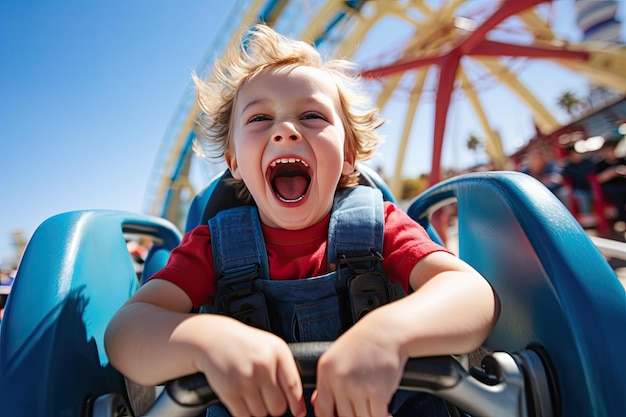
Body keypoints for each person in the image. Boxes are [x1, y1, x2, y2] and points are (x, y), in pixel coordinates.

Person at [105, 25, 498, 417]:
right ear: (235, 163)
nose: (285, 131)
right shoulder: (213, 246)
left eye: (311, 116)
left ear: (347, 155)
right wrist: (207, 342)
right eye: (259, 118)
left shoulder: (381, 226)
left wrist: (389, 334)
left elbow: (472, 294)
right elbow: (127, 331)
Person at [595, 139, 626, 230]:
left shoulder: (622, 161)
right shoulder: (600, 164)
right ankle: (621, 221)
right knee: (617, 195)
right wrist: (611, 173)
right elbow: (598, 179)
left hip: (623, 185)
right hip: (610, 188)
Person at [560, 146, 595, 218]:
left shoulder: (587, 163)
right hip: (575, 190)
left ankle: (588, 217)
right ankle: (583, 217)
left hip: (590, 188)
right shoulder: (568, 166)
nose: (577, 155)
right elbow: (562, 177)